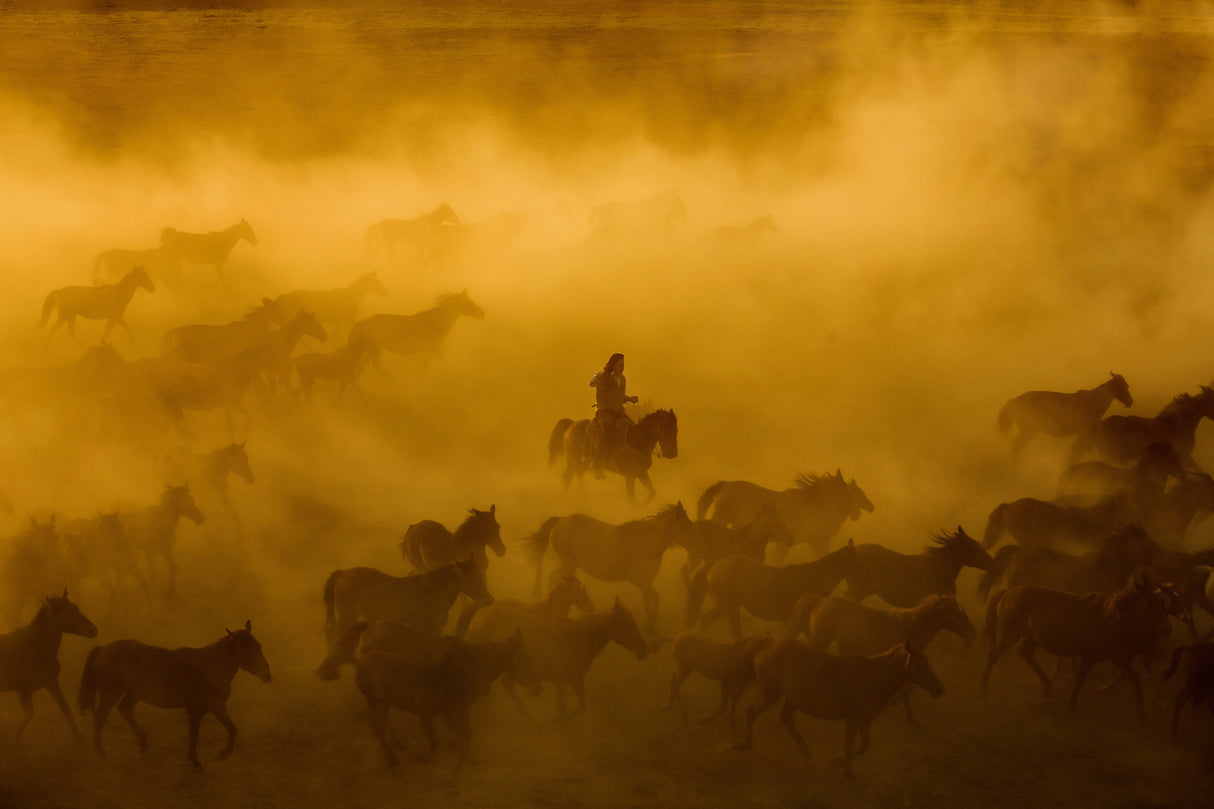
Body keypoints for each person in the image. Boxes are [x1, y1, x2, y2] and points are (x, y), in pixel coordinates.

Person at [587, 352, 638, 477]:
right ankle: (596, 464)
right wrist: (601, 374)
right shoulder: (603, 376)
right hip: (604, 411)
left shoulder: (622, 379)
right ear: (613, 365)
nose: (622, 367)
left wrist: (630, 398)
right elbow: (591, 383)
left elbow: (620, 397)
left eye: (623, 365)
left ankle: (622, 459)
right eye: (620, 365)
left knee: (632, 427)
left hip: (617, 411)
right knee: (606, 432)